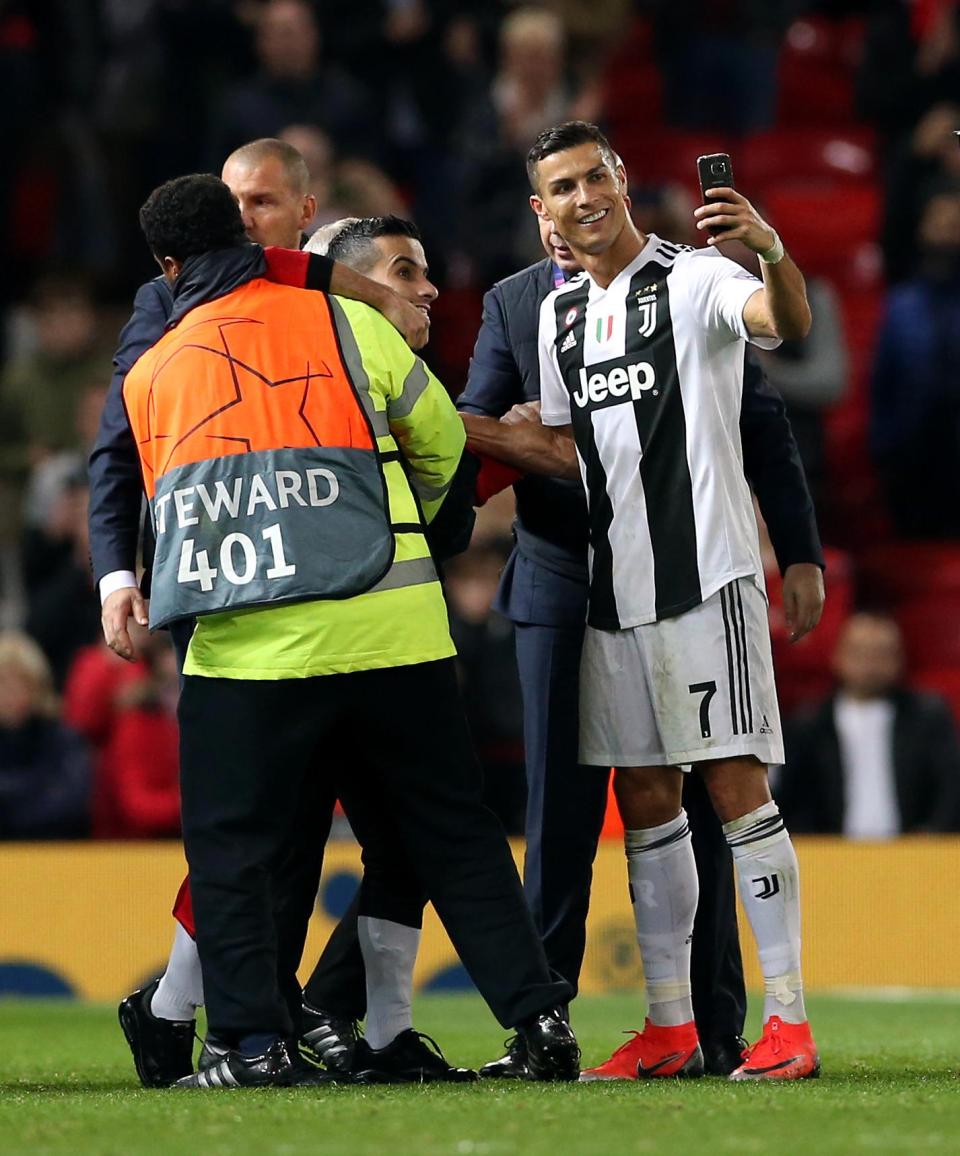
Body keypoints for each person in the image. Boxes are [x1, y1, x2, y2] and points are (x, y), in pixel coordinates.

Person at [120, 172, 578, 1090]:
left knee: (236, 853)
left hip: (248, 660)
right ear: (252, 242)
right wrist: (432, 529)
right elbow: (443, 439)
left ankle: (251, 1047)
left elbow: (171, 515)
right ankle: (540, 1023)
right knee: (454, 833)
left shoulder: (154, 370)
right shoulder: (352, 325)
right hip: (393, 634)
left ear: (171, 266)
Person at [464, 120, 821, 1082]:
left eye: (597, 177)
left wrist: (772, 251)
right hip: (613, 590)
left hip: (707, 575)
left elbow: (786, 324)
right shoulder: (555, 316)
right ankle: (669, 1028)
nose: (586, 198)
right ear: (542, 212)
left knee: (735, 787)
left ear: (622, 179)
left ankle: (788, 1021)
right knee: (649, 798)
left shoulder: (698, 275)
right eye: (564, 188)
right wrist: (465, 430)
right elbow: (570, 450)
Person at [777, 613, 960, 837]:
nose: (870, 664)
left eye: (881, 654)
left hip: (915, 855)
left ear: (899, 658)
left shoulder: (928, 717)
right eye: (860, 653)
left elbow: (950, 787)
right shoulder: (809, 724)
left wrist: (932, 832)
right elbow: (794, 799)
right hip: (829, 858)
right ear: (837, 656)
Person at [0, 630, 91, 840]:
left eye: (20, 682)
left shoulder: (64, 740)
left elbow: (70, 802)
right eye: (3, 683)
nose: (11, 693)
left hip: (55, 852)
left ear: (38, 686)